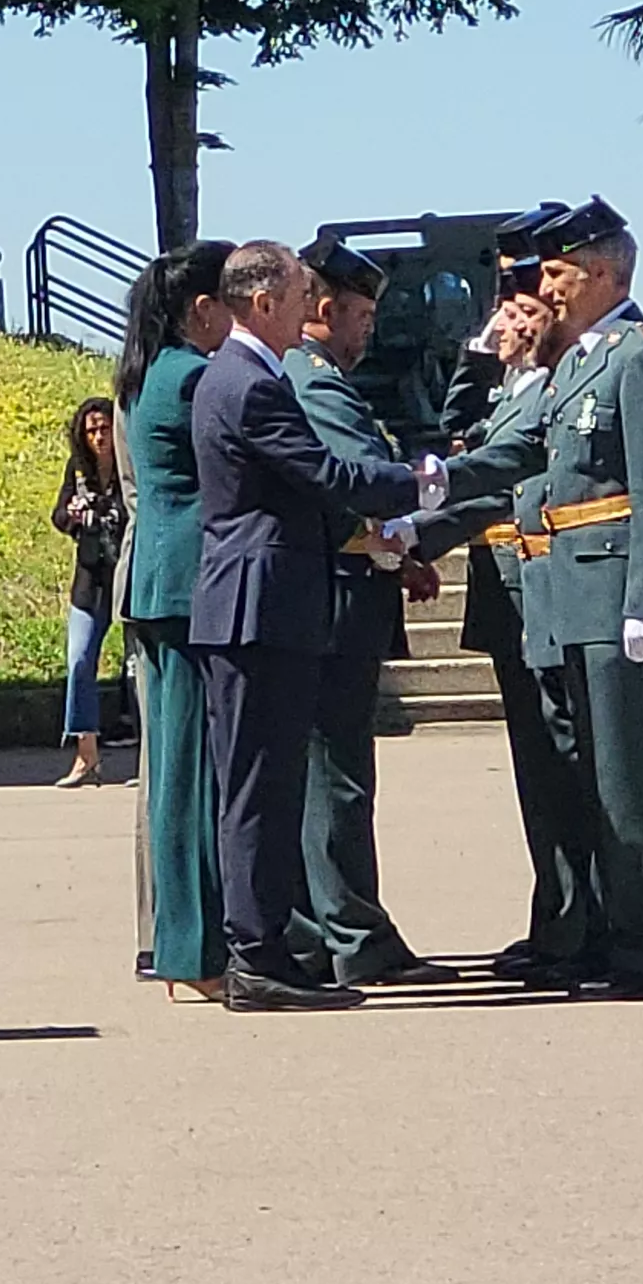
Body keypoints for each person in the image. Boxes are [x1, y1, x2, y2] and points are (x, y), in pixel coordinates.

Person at [442, 198, 643, 1001]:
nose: (542, 287)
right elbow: (521, 449)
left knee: (630, 785)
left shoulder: (640, 358)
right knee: (594, 784)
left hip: (615, 590)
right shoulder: (585, 360)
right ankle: (615, 941)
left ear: (602, 274)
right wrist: (439, 482)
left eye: (556, 272)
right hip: (571, 594)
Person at [187, 239, 428, 1014]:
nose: (308, 311)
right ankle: (257, 956)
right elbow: (325, 476)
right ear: (262, 301)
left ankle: (268, 950)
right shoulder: (251, 382)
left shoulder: (240, 373)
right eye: (298, 298)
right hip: (260, 607)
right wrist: (422, 480)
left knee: (268, 785)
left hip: (260, 603)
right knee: (261, 790)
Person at [411, 264, 593, 980]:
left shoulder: (551, 390)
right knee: (536, 772)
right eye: (505, 313)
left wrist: (412, 537)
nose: (513, 325)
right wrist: (478, 355)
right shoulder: (510, 386)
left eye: (524, 312)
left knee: (559, 767)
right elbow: (457, 432)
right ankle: (553, 919)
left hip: (536, 588)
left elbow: (493, 482)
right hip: (506, 594)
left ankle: (574, 926)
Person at [282, 238, 453, 988]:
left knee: (323, 770)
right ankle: (353, 933)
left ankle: (321, 928)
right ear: (324, 309)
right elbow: (358, 485)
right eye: (361, 316)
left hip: (342, 584)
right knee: (337, 774)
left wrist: (398, 553)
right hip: (337, 600)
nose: (368, 333)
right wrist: (430, 501)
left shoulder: (308, 376)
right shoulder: (318, 383)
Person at [117, 241, 231, 999]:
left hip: (160, 582)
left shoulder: (149, 373)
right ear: (202, 309)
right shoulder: (192, 377)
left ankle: (178, 938)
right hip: (188, 585)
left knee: (173, 768)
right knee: (189, 772)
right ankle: (192, 946)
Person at [51, 396, 125, 787]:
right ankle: (86, 752)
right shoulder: (77, 470)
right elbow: (58, 515)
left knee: (138, 668)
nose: (99, 436)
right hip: (91, 578)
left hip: (127, 573)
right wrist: (74, 515)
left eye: (105, 428)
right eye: (92, 430)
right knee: (79, 658)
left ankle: (149, 755)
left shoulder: (132, 464)